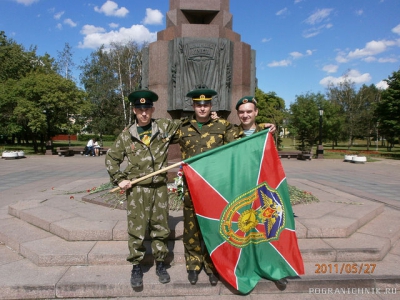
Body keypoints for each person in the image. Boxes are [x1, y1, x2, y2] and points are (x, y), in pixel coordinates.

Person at [105, 89, 181, 288]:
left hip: (159, 188)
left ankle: (161, 264)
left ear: (153, 109)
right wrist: (119, 179)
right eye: (140, 109)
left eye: (147, 109)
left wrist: (215, 118)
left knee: (160, 227)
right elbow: (111, 159)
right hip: (137, 189)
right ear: (134, 111)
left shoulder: (164, 127)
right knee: (136, 228)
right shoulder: (127, 136)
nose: (144, 113)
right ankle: (136, 265)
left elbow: (189, 126)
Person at [171, 88, 235, 286]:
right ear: (193, 106)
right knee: (191, 228)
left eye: (206, 104)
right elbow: (158, 137)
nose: (202, 108)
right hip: (191, 188)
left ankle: (211, 264)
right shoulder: (182, 128)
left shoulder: (223, 126)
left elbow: (245, 138)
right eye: (198, 105)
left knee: (213, 227)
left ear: (211, 106)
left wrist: (264, 127)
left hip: (214, 189)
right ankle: (193, 265)